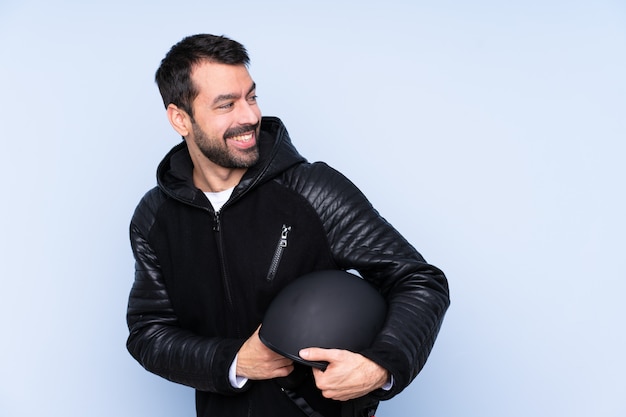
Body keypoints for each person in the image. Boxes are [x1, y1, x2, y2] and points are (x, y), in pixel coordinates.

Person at [126, 33, 450, 417]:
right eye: (226, 105)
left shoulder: (311, 189)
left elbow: (419, 279)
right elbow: (150, 333)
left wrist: (381, 366)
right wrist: (234, 362)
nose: (248, 116)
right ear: (181, 118)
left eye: (251, 97)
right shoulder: (154, 217)